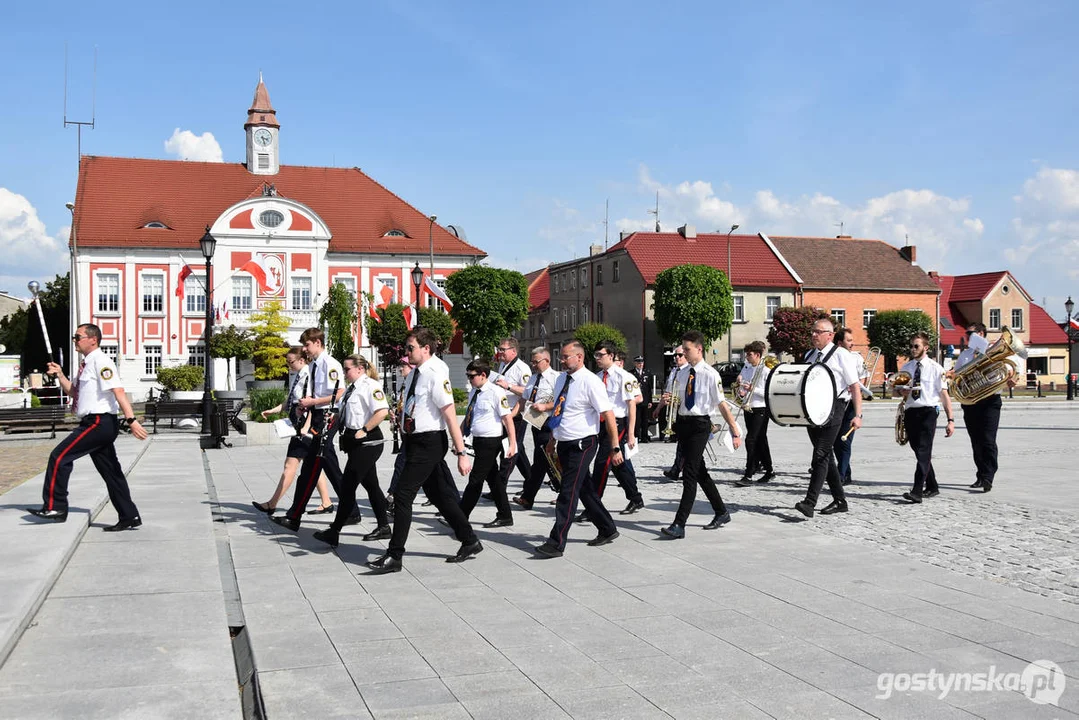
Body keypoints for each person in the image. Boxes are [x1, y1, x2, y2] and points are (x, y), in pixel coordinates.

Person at [366, 327, 482, 574]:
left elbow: (449, 414)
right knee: (440, 497)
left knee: (403, 496)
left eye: (411, 348)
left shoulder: (435, 373)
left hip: (429, 442)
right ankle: (470, 540)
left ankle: (394, 555)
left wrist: (462, 453)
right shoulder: (415, 373)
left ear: (426, 348)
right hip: (414, 441)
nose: (406, 353)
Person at [30, 324, 148, 530]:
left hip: (98, 422)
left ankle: (55, 506)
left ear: (93, 339)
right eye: (74, 337)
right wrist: (60, 375)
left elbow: (118, 391)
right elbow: (74, 394)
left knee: (59, 457)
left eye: (78, 337)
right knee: (111, 472)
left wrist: (131, 420)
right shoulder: (86, 364)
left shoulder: (101, 362)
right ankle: (129, 515)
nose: (75, 340)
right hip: (95, 422)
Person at [534, 340, 622, 558]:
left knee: (568, 492)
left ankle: (556, 542)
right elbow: (558, 409)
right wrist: (553, 438)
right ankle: (607, 528)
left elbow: (608, 414)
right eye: (561, 357)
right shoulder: (562, 379)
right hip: (564, 441)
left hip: (583, 443)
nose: (561, 361)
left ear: (579, 357)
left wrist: (615, 446)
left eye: (565, 357)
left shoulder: (591, 382)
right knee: (584, 489)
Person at [271, 328, 359, 532]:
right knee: (328, 467)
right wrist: (306, 405)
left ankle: (295, 516)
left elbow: (339, 394)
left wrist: (314, 401)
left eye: (307, 344)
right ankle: (351, 510)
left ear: (318, 343)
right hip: (318, 416)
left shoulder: (330, 364)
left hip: (329, 416)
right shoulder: (314, 366)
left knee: (311, 467)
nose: (305, 349)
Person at [660, 331, 743, 538]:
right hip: (683, 424)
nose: (683, 353)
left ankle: (679, 524)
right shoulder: (681, 373)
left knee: (689, 474)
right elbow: (679, 399)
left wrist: (734, 429)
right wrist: (670, 401)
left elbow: (721, 404)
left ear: (699, 349)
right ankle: (721, 511)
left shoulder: (710, 373)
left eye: (686, 350)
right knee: (700, 472)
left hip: (700, 425)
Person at [313, 354, 392, 548]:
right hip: (354, 443)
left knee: (347, 486)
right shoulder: (351, 389)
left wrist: (364, 430)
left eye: (347, 369)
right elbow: (346, 413)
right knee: (371, 485)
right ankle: (384, 526)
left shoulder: (370, 386)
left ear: (360, 369)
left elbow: (382, 411)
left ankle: (334, 531)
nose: (345, 373)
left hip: (368, 443)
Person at [252, 346, 335, 516]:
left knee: (290, 466)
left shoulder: (309, 376)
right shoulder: (298, 376)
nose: (289, 365)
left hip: (304, 426)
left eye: (291, 362)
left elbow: (312, 403)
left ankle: (272, 503)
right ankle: (326, 502)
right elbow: (290, 400)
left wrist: (306, 427)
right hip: (298, 424)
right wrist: (273, 410)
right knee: (311, 463)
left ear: (302, 360)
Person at [794, 317, 863, 518]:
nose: (813, 335)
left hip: (836, 408)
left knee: (821, 453)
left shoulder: (841, 355)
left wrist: (858, 415)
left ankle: (809, 502)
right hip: (813, 409)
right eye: (813, 332)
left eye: (818, 332)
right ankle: (840, 501)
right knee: (825, 456)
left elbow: (854, 387)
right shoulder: (809, 355)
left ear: (830, 335)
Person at [583, 341, 644, 516]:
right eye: (595, 355)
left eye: (600, 355)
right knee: (618, 464)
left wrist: (631, 434)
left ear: (611, 356)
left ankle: (592, 507)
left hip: (618, 423)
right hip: (600, 423)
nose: (597, 359)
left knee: (602, 464)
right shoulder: (596, 377)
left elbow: (632, 405)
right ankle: (635, 498)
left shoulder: (624, 377)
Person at [953, 322, 1014, 492]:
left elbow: (1007, 372)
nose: (966, 336)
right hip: (971, 402)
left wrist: (1010, 380)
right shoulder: (965, 354)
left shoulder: (993, 352)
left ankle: (988, 476)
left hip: (990, 402)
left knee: (988, 440)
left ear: (980, 333)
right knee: (976, 441)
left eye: (970, 333)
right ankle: (980, 475)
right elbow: (956, 375)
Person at [457, 359, 517, 526]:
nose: (469, 379)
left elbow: (507, 419)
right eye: (467, 376)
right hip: (478, 440)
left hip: (491, 441)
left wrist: (512, 444)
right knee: (494, 480)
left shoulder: (495, 392)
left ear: (483, 375)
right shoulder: (474, 392)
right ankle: (505, 515)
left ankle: (461, 516)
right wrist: (458, 436)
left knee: (476, 479)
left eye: (472, 376)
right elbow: (469, 416)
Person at [896, 332, 955, 503]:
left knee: (924, 450)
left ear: (926, 347)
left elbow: (944, 395)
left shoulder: (936, 369)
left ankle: (917, 490)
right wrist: (901, 391)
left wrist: (950, 420)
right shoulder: (906, 367)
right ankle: (932, 485)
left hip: (928, 411)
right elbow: (896, 390)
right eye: (912, 346)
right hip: (911, 411)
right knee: (919, 450)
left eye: (917, 346)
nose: (913, 349)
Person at [513, 347, 561, 510]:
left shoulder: (557, 378)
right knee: (542, 461)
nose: (533, 364)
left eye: (536, 361)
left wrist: (545, 406)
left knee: (546, 460)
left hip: (550, 423)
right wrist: (511, 416)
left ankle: (531, 497)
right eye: (532, 361)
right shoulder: (533, 379)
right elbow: (523, 399)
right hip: (536, 423)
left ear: (547, 361)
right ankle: (529, 497)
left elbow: (562, 401)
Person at [734, 341, 775, 487]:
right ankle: (769, 470)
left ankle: (749, 473)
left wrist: (752, 389)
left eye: (750, 354)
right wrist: (740, 387)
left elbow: (768, 393)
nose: (747, 357)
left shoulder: (765, 371)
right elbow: (742, 387)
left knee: (750, 440)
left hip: (761, 408)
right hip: (748, 407)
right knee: (760, 440)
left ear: (758, 355)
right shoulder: (746, 368)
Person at [493, 337, 532, 493]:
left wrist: (508, 386)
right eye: (499, 349)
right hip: (505, 412)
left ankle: (500, 486)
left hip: (517, 414)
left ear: (514, 351)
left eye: (503, 350)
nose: (500, 352)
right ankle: (531, 481)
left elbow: (527, 391)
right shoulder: (503, 364)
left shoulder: (522, 369)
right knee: (518, 450)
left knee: (509, 449)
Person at [655, 345, 688, 481]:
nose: (676, 358)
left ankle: (679, 470)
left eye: (679, 355)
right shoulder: (674, 371)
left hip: (686, 412)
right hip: (676, 412)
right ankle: (680, 469)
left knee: (685, 444)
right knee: (682, 443)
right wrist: (659, 408)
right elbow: (668, 392)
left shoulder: (689, 371)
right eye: (675, 355)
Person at [831, 327, 858, 487]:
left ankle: (840, 476)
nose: (852, 343)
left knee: (845, 441)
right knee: (835, 442)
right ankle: (845, 472)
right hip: (837, 403)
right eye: (849, 341)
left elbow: (860, 380)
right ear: (840, 342)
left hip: (850, 404)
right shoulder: (835, 357)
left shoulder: (855, 358)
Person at [631, 356, 655, 444]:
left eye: (641, 362)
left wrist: (650, 401)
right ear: (635, 363)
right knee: (637, 419)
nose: (640, 364)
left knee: (645, 420)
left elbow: (649, 388)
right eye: (638, 362)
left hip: (645, 399)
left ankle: (644, 437)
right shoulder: (631, 373)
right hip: (636, 399)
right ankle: (636, 436)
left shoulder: (647, 373)